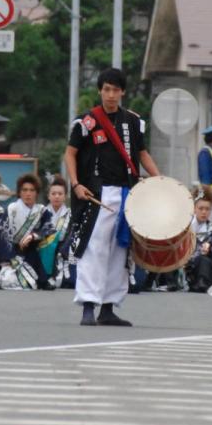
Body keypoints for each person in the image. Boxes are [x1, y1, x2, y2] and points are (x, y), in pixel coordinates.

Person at [63, 67, 161, 326]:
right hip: (98, 192)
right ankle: (88, 305)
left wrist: (159, 179)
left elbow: (142, 154)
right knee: (94, 249)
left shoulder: (132, 121)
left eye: (115, 90)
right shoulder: (86, 122)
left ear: (123, 92)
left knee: (121, 250)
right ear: (100, 90)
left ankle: (108, 307)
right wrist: (76, 184)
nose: (110, 94)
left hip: (128, 191)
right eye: (106, 89)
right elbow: (70, 153)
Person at [5, 172, 55, 290]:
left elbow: (49, 229)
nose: (28, 193)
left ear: (37, 193)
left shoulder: (42, 211)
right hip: (12, 251)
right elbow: (2, 234)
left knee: (33, 251)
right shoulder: (11, 209)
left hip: (31, 249)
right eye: (24, 190)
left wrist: (33, 236)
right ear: (19, 192)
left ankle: (42, 279)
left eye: (32, 190)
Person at [185, 186, 212, 293]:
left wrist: (209, 247)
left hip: (205, 266)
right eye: (201, 208)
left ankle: (201, 282)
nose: (204, 212)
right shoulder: (185, 227)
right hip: (187, 265)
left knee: (204, 260)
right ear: (194, 209)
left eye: (207, 209)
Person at [37, 177, 71, 289]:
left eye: (60, 193)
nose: (57, 196)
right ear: (48, 196)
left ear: (65, 196)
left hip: (63, 252)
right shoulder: (41, 213)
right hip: (44, 250)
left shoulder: (70, 214)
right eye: (54, 193)